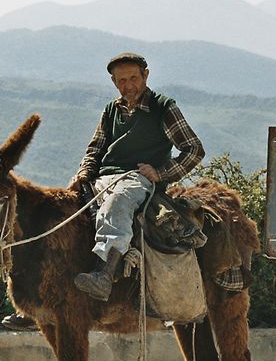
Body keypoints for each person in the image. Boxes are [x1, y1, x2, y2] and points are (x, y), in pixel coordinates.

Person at [69, 52, 205, 301]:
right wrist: (83, 173)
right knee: (64, 206)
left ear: (146, 76)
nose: (128, 86)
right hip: (102, 178)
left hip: (137, 178)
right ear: (114, 82)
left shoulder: (164, 108)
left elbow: (194, 149)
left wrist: (161, 173)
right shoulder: (111, 110)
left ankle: (105, 275)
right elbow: (95, 149)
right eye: (121, 81)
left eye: (133, 78)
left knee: (118, 201)